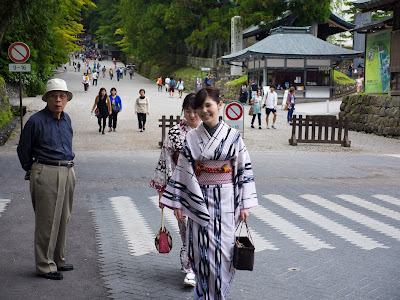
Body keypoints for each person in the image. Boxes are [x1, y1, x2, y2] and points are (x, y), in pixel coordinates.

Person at [160, 87, 258, 300]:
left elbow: (243, 169)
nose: (204, 111)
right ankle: (205, 295)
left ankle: (216, 295)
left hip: (226, 200)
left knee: (224, 253)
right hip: (199, 199)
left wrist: (244, 204)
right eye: (199, 107)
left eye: (208, 105)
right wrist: (179, 203)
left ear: (219, 105)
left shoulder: (233, 136)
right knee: (201, 252)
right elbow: (183, 170)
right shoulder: (193, 138)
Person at [17, 78, 76, 280]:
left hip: (68, 170)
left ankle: (58, 259)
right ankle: (44, 265)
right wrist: (31, 169)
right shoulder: (36, 121)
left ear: (67, 99)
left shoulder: (66, 119)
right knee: (47, 220)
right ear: (47, 99)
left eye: (62, 96)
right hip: (46, 170)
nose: (58, 100)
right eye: (54, 96)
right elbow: (23, 149)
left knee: (63, 217)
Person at [150, 94, 200, 287]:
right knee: (185, 228)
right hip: (182, 188)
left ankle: (201, 265)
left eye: (195, 110)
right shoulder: (175, 133)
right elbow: (164, 161)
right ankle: (190, 268)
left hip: (207, 188)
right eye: (188, 111)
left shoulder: (209, 132)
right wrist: (162, 190)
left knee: (203, 228)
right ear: (183, 111)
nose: (192, 115)